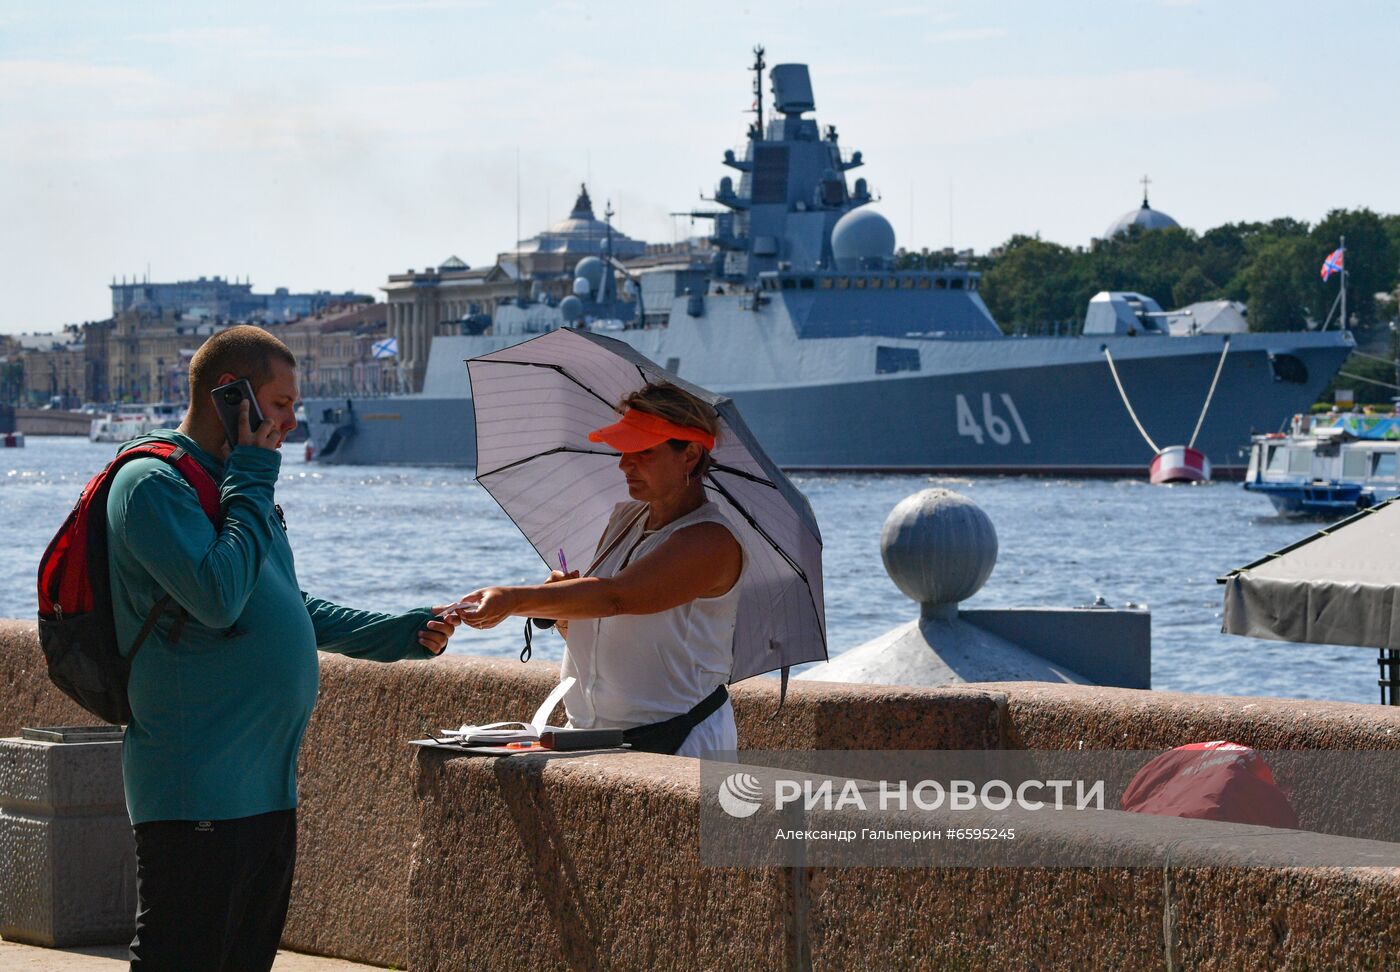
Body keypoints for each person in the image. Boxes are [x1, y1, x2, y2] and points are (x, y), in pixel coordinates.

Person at [105, 325, 464, 971]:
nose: (293, 423)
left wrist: (402, 632)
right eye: (279, 404)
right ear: (229, 394)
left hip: (266, 793)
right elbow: (218, 596)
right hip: (197, 789)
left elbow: (287, 606)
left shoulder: (238, 487)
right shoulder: (152, 485)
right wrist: (255, 476)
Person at [455, 382, 744, 757]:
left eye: (642, 451)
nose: (624, 463)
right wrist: (564, 611)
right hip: (598, 738)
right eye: (623, 450)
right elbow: (608, 624)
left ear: (689, 455)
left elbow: (616, 597)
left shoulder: (709, 540)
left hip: (680, 741)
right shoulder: (625, 518)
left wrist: (512, 599)